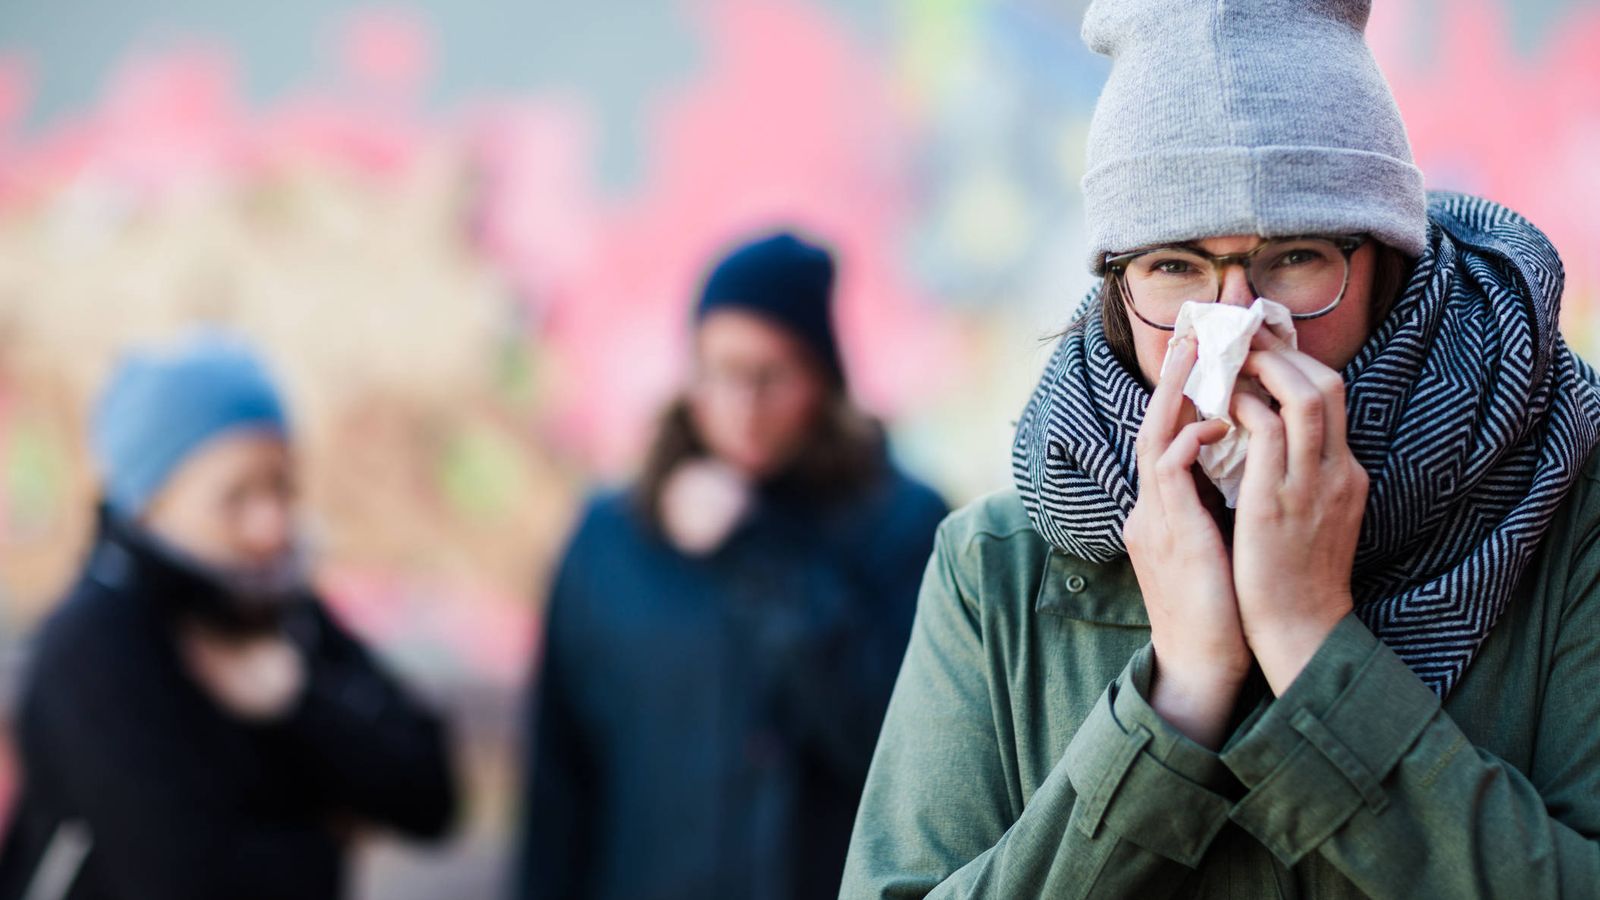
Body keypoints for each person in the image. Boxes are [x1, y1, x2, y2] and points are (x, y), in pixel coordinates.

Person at [840, 1, 1600, 897]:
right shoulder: (997, 570)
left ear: (1390, 269)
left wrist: (1311, 641)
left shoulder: (1560, 507)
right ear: (1119, 290)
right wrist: (1176, 699)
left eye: (1295, 258)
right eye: (1175, 266)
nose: (1236, 326)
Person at [515, 232, 948, 900]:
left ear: (823, 381)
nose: (743, 405)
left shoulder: (900, 525)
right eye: (720, 371)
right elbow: (559, 781)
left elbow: (906, 750)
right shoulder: (612, 540)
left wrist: (757, 550)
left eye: (771, 377)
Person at [0, 332, 457, 900]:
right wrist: (327, 833)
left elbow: (430, 794)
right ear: (150, 504)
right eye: (235, 497)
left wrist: (297, 706)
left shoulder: (282, 612)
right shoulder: (94, 648)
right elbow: (189, 880)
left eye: (282, 488)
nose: (270, 525)